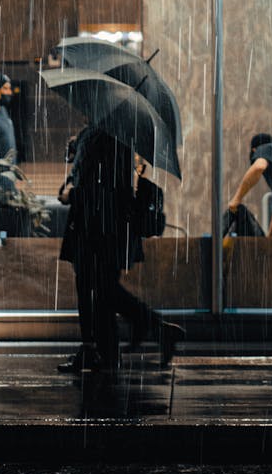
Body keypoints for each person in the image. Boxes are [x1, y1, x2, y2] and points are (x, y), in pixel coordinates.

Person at [57, 125, 184, 375]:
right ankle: (107, 352)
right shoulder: (116, 135)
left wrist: (71, 195)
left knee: (95, 290)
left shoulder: (101, 135)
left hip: (97, 230)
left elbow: (98, 188)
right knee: (101, 293)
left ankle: (148, 329)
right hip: (109, 230)